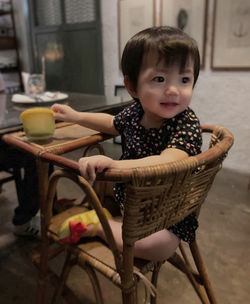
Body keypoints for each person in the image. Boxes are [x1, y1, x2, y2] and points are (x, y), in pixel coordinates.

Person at [51, 26, 202, 262]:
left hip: (169, 208)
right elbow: (112, 123)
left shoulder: (186, 122)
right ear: (132, 87)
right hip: (134, 200)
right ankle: (106, 217)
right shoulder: (135, 113)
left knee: (160, 247)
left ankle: (99, 225)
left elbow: (169, 160)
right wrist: (76, 116)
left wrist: (114, 165)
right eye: (160, 79)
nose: (174, 90)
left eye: (185, 79)